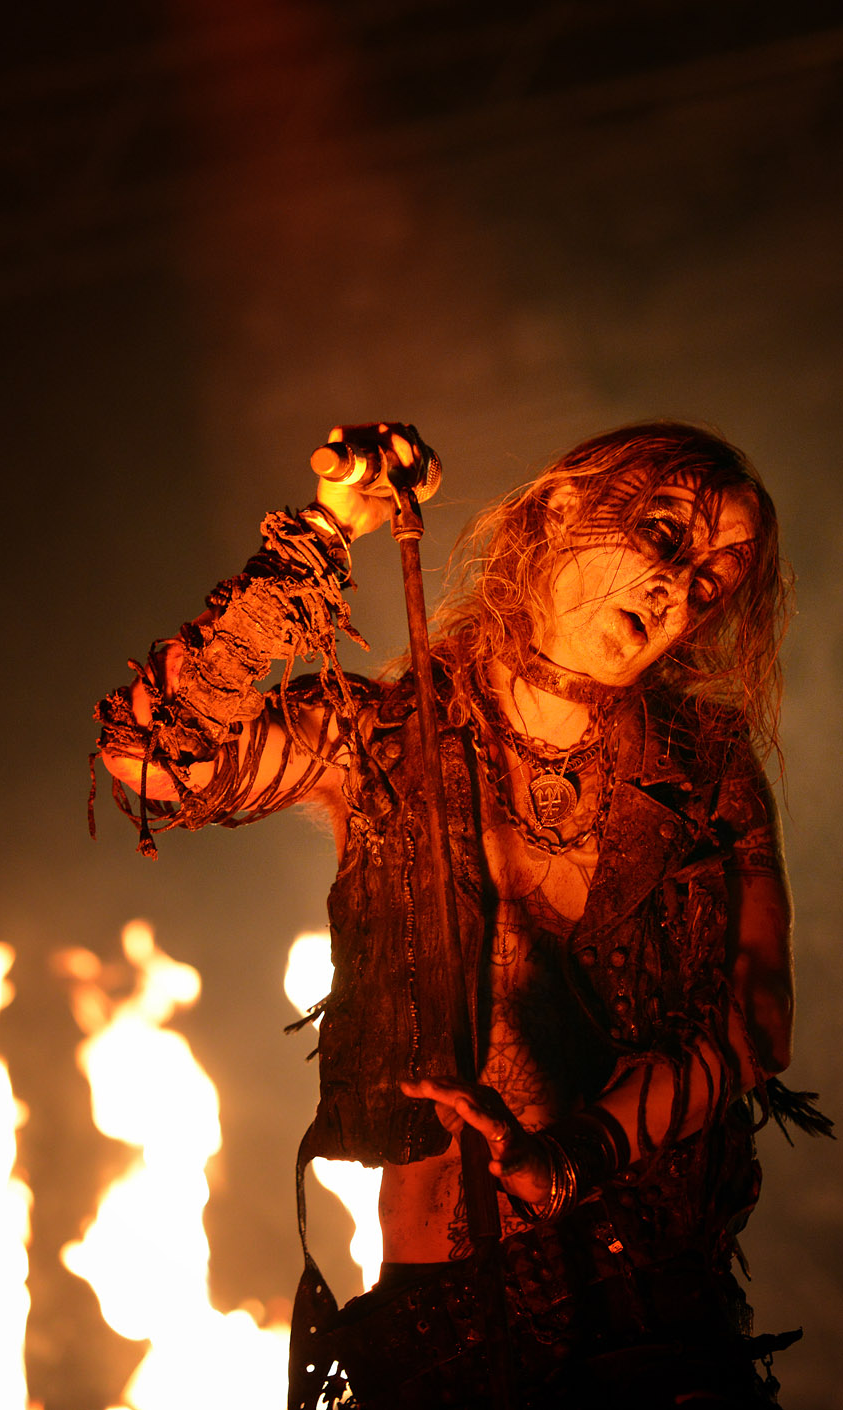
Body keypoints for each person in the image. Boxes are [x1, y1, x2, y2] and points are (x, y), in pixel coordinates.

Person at [95, 421, 828, 1409]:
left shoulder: (705, 767)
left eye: (707, 580)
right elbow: (149, 760)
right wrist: (323, 531)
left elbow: (756, 1023)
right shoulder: (381, 742)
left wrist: (568, 1160)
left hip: (659, 1327)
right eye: (663, 536)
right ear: (563, 511)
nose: (675, 587)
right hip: (439, 1333)